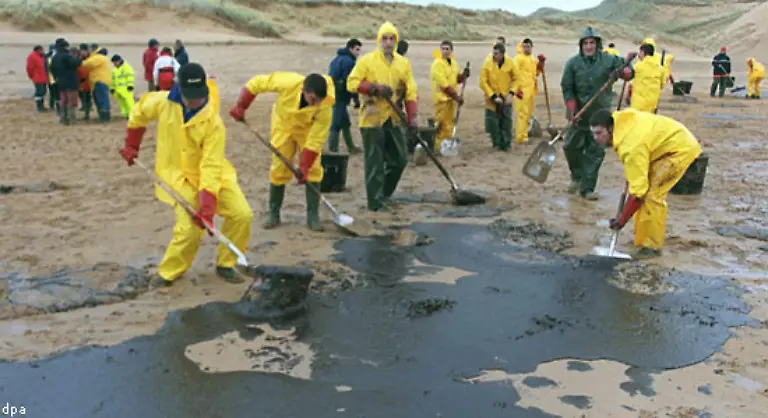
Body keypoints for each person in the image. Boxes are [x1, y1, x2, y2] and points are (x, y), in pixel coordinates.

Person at [119, 63, 253, 287]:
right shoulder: (162, 102)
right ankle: (169, 272)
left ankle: (226, 264)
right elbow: (139, 112)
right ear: (179, 89)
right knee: (190, 228)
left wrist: (207, 206)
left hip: (213, 174)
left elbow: (210, 165)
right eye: (189, 96)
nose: (194, 101)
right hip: (176, 174)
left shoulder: (214, 123)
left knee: (242, 215)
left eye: (198, 96)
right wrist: (132, 144)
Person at [589, 108, 701, 259]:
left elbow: (637, 194)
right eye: (593, 133)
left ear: (610, 128)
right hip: (659, 146)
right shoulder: (620, 121)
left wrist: (622, 220)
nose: (596, 138)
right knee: (643, 189)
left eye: (599, 133)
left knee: (652, 196)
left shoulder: (631, 147)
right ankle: (641, 240)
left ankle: (651, 246)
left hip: (678, 149)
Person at [229, 72, 335, 231]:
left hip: (306, 130)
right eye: (312, 99)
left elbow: (315, 139)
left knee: (314, 169)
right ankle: (274, 213)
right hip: (283, 125)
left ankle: (313, 215)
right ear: (303, 90)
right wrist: (242, 105)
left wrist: (305, 166)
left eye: (318, 101)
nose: (315, 105)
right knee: (279, 168)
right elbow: (256, 83)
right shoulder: (288, 82)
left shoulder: (325, 106)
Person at [347, 21, 419, 212]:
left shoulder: (403, 64)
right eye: (385, 38)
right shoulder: (367, 61)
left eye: (392, 39)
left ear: (396, 41)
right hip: (371, 119)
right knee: (375, 164)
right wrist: (374, 88)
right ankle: (375, 202)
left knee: (399, 160)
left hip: (394, 117)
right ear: (379, 40)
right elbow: (351, 82)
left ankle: (384, 194)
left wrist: (412, 117)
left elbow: (411, 91)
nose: (388, 42)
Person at [560, 27, 634, 200]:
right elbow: (567, 88)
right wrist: (572, 110)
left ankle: (587, 188)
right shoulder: (573, 64)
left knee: (595, 153)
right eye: (585, 43)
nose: (588, 46)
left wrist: (624, 72)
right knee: (570, 146)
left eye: (592, 43)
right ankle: (577, 176)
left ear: (597, 44)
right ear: (581, 45)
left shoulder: (609, 60)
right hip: (577, 115)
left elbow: (629, 71)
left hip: (600, 115)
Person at [430, 40, 470, 153]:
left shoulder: (453, 63)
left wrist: (463, 76)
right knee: (440, 124)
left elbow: (456, 79)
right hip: (442, 99)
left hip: (451, 100)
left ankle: (446, 145)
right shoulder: (437, 64)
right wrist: (457, 97)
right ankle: (437, 146)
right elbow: (444, 86)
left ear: (451, 51)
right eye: (443, 49)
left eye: (447, 49)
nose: (445, 51)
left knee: (450, 123)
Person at [480, 42, 521, 152]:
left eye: (496, 54)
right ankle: (496, 144)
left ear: (502, 54)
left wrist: (511, 93)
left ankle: (506, 144)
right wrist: (492, 96)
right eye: (493, 53)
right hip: (491, 98)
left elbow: (517, 79)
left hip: (506, 97)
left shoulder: (511, 63)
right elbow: (483, 82)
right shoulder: (487, 63)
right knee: (493, 122)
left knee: (506, 121)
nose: (494, 56)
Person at [327, 38, 363, 154]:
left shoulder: (336, 59)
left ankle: (351, 147)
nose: (358, 53)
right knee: (336, 122)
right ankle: (333, 149)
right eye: (357, 49)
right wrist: (356, 100)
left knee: (344, 121)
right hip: (340, 95)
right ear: (350, 48)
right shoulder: (349, 62)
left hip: (333, 93)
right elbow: (351, 83)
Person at [511, 38, 545, 145]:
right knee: (522, 114)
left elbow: (537, 72)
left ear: (532, 47)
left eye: (528, 46)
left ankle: (524, 134)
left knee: (528, 114)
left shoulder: (531, 59)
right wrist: (517, 89)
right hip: (521, 91)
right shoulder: (517, 59)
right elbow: (513, 75)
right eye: (524, 46)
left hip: (530, 90)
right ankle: (520, 137)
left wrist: (541, 63)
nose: (526, 48)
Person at [49, 38, 82, 125]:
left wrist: (57, 78)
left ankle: (63, 118)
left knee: (64, 100)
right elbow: (77, 63)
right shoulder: (66, 56)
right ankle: (72, 119)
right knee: (72, 100)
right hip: (70, 81)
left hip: (60, 81)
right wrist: (79, 58)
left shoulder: (55, 57)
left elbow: (51, 68)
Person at [627, 42, 665, 113]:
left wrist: (628, 61)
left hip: (638, 103)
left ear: (643, 52)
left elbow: (627, 76)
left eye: (640, 52)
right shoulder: (660, 68)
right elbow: (662, 85)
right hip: (652, 104)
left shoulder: (638, 66)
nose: (639, 55)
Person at [81, 47, 112, 122]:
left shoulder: (99, 58)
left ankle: (104, 117)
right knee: (102, 99)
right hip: (102, 81)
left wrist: (79, 62)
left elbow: (86, 64)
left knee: (101, 100)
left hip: (99, 81)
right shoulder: (104, 59)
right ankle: (104, 116)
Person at [111, 55, 135, 119]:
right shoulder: (114, 70)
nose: (114, 64)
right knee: (122, 104)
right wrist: (112, 88)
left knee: (129, 103)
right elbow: (113, 80)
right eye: (113, 63)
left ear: (119, 60)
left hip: (126, 89)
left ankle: (132, 115)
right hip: (118, 90)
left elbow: (130, 76)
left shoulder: (126, 67)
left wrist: (130, 85)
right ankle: (126, 115)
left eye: (115, 62)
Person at [26, 45, 49, 112]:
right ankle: (39, 107)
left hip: (44, 77)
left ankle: (42, 106)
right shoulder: (32, 57)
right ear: (38, 50)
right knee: (39, 92)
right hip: (37, 78)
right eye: (42, 50)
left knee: (43, 92)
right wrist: (32, 76)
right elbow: (29, 68)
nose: (43, 51)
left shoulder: (42, 56)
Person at [76, 44, 92, 120]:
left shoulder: (91, 58)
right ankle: (85, 108)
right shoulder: (78, 58)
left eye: (84, 51)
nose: (83, 52)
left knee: (86, 97)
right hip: (80, 81)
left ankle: (87, 114)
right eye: (82, 51)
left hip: (87, 81)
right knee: (82, 96)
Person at [45, 43, 60, 114]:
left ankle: (54, 106)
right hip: (53, 78)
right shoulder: (49, 57)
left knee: (54, 93)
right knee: (55, 94)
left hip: (52, 78)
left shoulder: (47, 57)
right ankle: (55, 107)